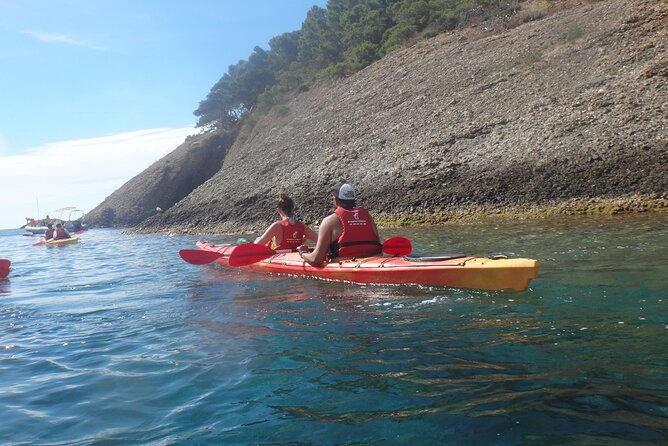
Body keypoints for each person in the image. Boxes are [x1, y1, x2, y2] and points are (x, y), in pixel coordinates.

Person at [299, 183, 380, 266]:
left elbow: (316, 260)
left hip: (345, 267)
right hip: (375, 262)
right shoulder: (368, 217)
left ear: (336, 200)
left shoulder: (329, 221)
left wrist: (303, 253)